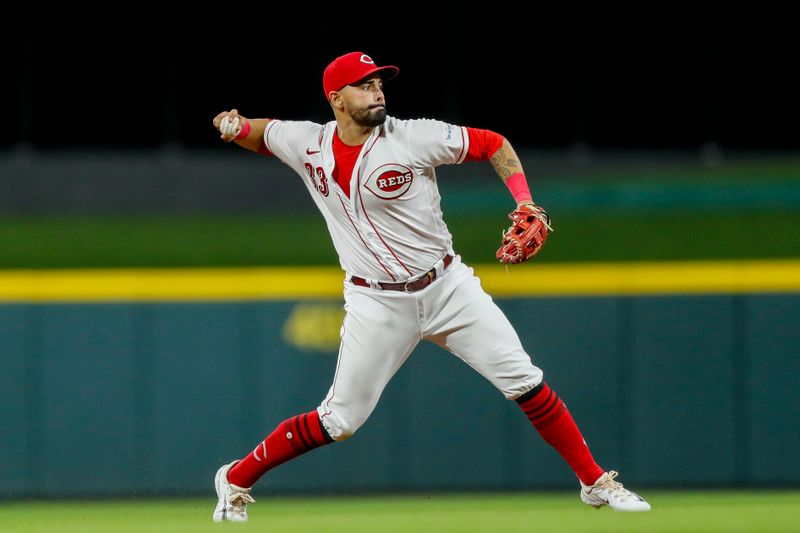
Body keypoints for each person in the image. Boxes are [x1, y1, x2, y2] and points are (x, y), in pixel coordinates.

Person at [210, 51, 651, 522]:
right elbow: (262, 133)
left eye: (380, 82)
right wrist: (233, 126)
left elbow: (493, 143)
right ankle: (235, 478)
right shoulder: (307, 141)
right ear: (336, 98)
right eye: (364, 84)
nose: (377, 90)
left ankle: (595, 482)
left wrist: (526, 201)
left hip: (447, 288)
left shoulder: (414, 136)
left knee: (525, 380)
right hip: (375, 300)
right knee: (340, 421)